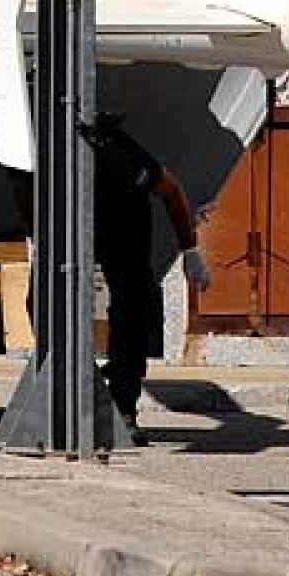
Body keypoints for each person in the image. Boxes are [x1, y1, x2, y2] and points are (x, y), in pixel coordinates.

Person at [88, 114, 211, 445]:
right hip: (80, 242)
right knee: (47, 308)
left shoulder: (116, 153)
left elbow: (171, 190)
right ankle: (84, 394)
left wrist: (190, 251)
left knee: (133, 317)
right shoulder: (55, 153)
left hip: (126, 245)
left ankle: (122, 409)